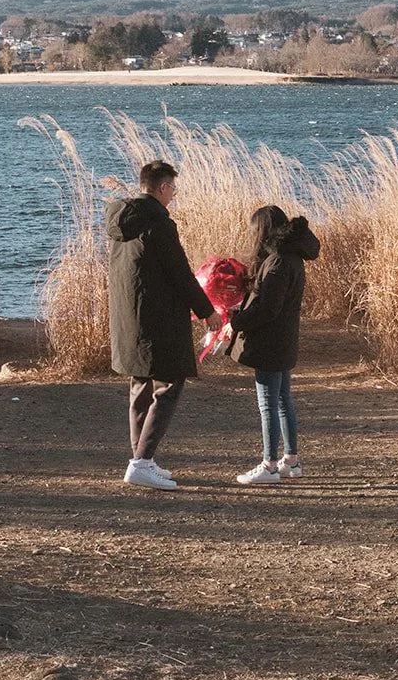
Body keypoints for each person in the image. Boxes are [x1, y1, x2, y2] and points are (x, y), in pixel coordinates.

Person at [106, 159, 221, 490]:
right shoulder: (158, 223)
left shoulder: (121, 221)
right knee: (169, 384)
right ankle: (142, 462)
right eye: (173, 189)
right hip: (158, 319)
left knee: (140, 384)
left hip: (129, 318)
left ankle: (141, 459)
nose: (174, 195)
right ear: (163, 187)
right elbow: (180, 274)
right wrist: (208, 312)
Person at [228, 205, 320, 485]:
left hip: (270, 342)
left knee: (268, 403)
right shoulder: (292, 256)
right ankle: (291, 460)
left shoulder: (278, 262)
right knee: (282, 400)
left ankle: (268, 465)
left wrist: (236, 322)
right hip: (284, 339)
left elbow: (268, 308)